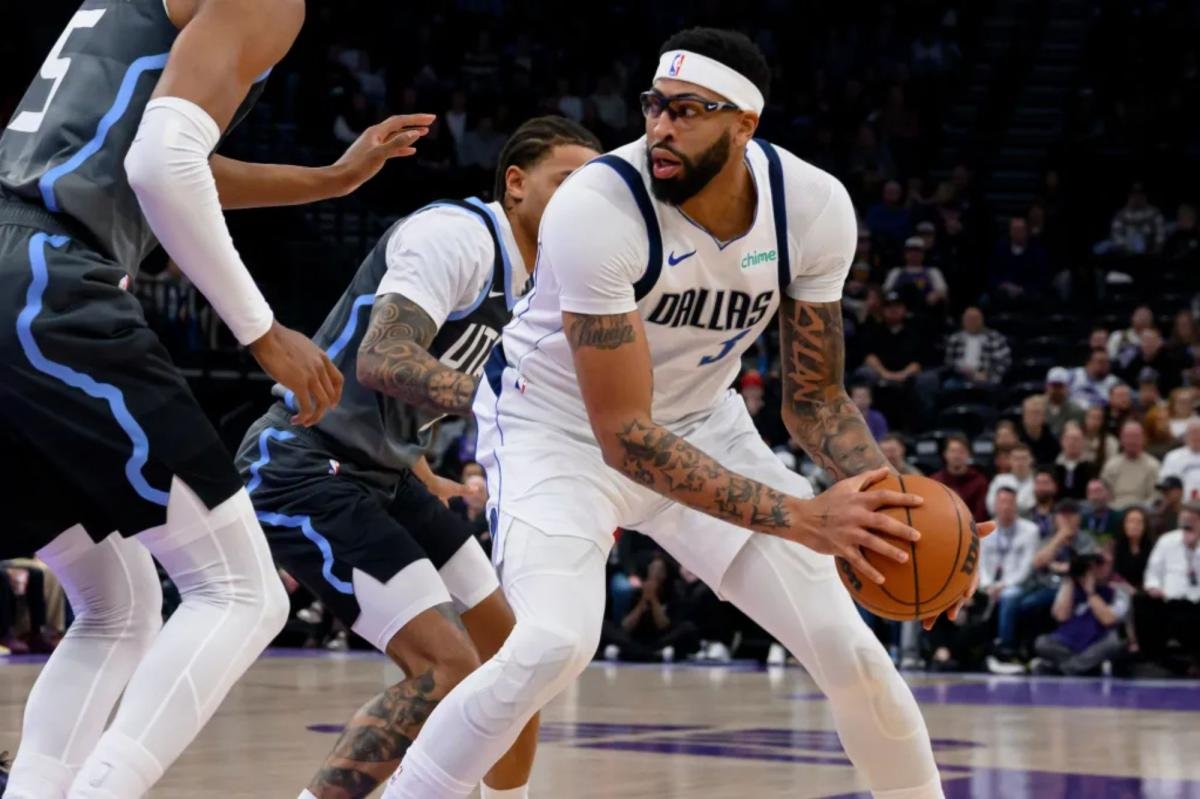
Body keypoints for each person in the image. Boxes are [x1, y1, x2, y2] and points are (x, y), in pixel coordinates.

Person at [383, 29, 991, 799]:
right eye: (654, 106)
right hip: (559, 431)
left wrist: (899, 516)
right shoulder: (596, 207)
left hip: (704, 420)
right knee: (551, 644)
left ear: (744, 125)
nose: (660, 128)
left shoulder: (811, 208)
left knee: (852, 652)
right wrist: (803, 517)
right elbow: (624, 435)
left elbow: (814, 399)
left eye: (688, 111)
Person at [0, 2, 434, 796]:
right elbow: (161, 164)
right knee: (242, 591)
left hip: (16, 263)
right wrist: (262, 330)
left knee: (117, 599)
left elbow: (147, 153)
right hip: (46, 279)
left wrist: (331, 180)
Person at [233, 117, 601, 799]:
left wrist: (423, 462)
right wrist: (502, 400)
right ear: (516, 184)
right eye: (569, 182)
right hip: (305, 460)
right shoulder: (458, 235)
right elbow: (381, 358)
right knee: (444, 664)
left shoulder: (543, 284)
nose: (586, 202)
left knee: (521, 657)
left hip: (387, 472)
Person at [1032, 552, 1128, 676]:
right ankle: (1086, 667)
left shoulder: (1118, 590)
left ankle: (1062, 670)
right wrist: (1070, 579)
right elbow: (1061, 616)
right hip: (1070, 640)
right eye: (1090, 567)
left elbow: (1108, 619)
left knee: (1115, 641)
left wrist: (1090, 593)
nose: (1094, 570)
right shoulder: (1071, 586)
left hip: (1098, 641)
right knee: (1042, 642)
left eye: (1099, 564)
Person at [1133, 504, 1200, 669]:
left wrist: (1194, 548)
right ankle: (1153, 659)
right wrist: (1153, 587)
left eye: (1192, 520)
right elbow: (1152, 572)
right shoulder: (1166, 540)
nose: (1187, 524)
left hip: (1196, 601)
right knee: (1141, 600)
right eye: (1184, 519)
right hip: (1168, 599)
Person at [979, 487, 1040, 663]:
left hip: (1020, 584)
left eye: (1010, 502)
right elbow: (980, 564)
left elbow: (1026, 567)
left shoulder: (1030, 530)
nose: (1006, 506)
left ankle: (1005, 647)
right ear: (995, 505)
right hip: (989, 583)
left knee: (1008, 596)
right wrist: (987, 585)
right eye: (1002, 502)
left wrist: (1002, 585)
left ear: (1016, 505)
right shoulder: (985, 529)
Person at [943, 306, 1011, 388]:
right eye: (968, 320)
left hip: (987, 378)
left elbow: (1005, 362)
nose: (971, 322)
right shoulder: (955, 338)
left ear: (981, 320)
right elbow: (949, 363)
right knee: (949, 385)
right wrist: (961, 370)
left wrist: (987, 374)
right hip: (961, 378)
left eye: (974, 319)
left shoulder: (995, 338)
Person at [1100, 421, 1161, 510]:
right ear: (1121, 440)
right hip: (1114, 510)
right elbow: (1104, 492)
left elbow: (1155, 497)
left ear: (1143, 439)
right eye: (1128, 437)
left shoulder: (1153, 465)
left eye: (1135, 437)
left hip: (1142, 511)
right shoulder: (1111, 465)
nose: (1132, 441)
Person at [989, 216, 1050, 305]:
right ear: (1010, 231)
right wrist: (1004, 285)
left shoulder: (1037, 252)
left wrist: (1022, 289)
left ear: (1027, 231)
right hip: (1004, 292)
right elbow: (992, 274)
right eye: (1014, 230)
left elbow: (1043, 279)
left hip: (1028, 294)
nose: (1017, 233)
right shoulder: (1001, 249)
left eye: (1020, 230)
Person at [882, 236, 948, 317]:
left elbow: (942, 291)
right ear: (905, 253)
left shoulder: (932, 272)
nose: (914, 254)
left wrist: (935, 295)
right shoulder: (896, 272)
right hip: (900, 312)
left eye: (917, 251)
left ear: (923, 253)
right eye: (911, 250)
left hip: (925, 311)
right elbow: (886, 291)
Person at [931, 435, 988, 521]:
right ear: (945, 454)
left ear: (969, 454)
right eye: (953, 451)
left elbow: (981, 515)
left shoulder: (979, 482)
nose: (957, 456)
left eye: (961, 452)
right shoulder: (935, 481)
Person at [1108, 182, 1165, 256]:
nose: (1137, 198)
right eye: (1134, 195)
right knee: (1102, 247)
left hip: (1149, 249)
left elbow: (1160, 233)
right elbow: (1116, 234)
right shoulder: (1121, 215)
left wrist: (1157, 248)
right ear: (1129, 197)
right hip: (1126, 250)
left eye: (1140, 195)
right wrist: (1124, 249)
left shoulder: (1154, 213)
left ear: (1145, 197)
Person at [1112, 506, 1154, 590]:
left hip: (1146, 591)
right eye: (1130, 521)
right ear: (1123, 524)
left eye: (1139, 522)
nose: (1134, 525)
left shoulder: (1153, 549)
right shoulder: (1113, 547)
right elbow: (1112, 574)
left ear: (1145, 526)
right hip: (1120, 589)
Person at [1054, 421, 1098, 500]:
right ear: (1062, 441)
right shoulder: (1054, 467)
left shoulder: (1091, 468)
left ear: (1082, 442)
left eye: (1076, 439)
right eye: (1068, 439)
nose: (1072, 442)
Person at [987, 444, 1036, 515]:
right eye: (1016, 459)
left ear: (1031, 460)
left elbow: (1034, 508)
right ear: (1010, 460)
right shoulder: (999, 480)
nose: (1020, 462)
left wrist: (1005, 505)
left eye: (1024, 458)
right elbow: (991, 507)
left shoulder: (1037, 481)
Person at [1159, 419, 1200, 502]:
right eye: (1192, 433)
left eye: (1198, 433)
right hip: (1181, 504)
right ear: (1185, 436)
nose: (1195, 437)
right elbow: (1166, 483)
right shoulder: (1172, 457)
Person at [1044, 367, 1085, 438]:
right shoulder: (1038, 407)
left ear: (1067, 387)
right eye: (1054, 386)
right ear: (1047, 386)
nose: (1057, 390)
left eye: (1060, 386)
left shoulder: (1076, 410)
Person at [1019, 394, 1060, 465]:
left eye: (1037, 413)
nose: (1034, 416)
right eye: (1031, 412)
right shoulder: (1015, 437)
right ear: (1024, 416)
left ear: (1044, 416)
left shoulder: (1053, 443)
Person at [1081, 478, 1125, 543]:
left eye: (1098, 491)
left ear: (1108, 494)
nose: (1094, 497)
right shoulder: (1081, 520)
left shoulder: (1119, 518)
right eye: (1090, 492)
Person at [1024, 468, 1060, 540]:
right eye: (1038, 483)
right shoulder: (1024, 516)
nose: (1041, 487)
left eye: (1045, 483)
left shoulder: (1062, 514)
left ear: (1055, 487)